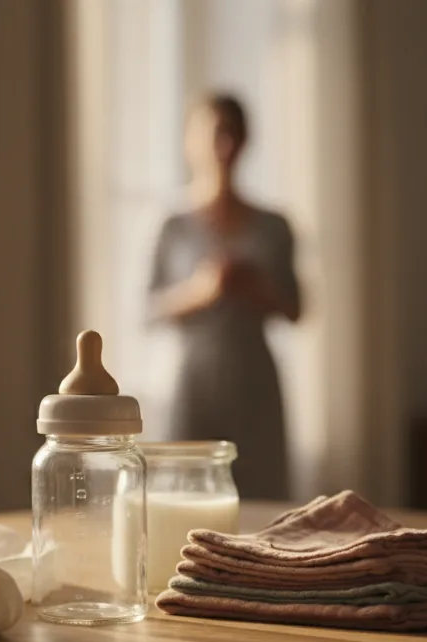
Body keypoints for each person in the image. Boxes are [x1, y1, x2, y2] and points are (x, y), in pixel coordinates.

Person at [147, 93, 301, 500]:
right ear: (191, 141)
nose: (224, 146)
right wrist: (200, 291)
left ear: (246, 141)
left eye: (232, 134)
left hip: (254, 380)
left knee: (260, 494)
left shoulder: (274, 226)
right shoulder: (173, 226)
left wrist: (258, 290)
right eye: (215, 133)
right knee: (184, 495)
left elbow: (296, 307)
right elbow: (149, 308)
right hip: (194, 378)